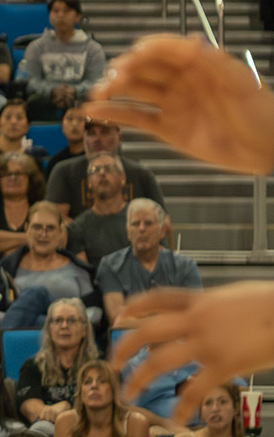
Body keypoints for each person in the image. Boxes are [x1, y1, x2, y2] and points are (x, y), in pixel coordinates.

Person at [98, 198, 201, 327]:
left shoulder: (185, 266)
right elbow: (118, 319)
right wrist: (167, 314)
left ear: (162, 230)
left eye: (148, 223)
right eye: (135, 224)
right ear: (128, 231)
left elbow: (195, 314)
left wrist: (137, 314)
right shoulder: (110, 265)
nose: (141, 229)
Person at [0, 202, 94, 329]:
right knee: (36, 294)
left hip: (68, 335)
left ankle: (4, 340)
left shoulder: (79, 270)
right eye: (37, 227)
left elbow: (93, 313)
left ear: (60, 232)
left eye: (50, 228)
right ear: (26, 228)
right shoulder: (5, 270)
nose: (43, 234)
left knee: (37, 293)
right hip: (24, 340)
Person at [45, 114, 167, 215]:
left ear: (119, 138)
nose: (97, 139)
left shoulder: (141, 174)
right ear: (84, 138)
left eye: (105, 132)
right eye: (91, 133)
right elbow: (55, 219)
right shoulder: (64, 171)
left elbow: (162, 221)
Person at [19, 0, 107, 118]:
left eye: (67, 11)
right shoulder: (36, 47)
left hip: (80, 99)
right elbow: (30, 81)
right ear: (49, 16)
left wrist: (74, 91)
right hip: (45, 101)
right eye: (56, 11)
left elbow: (96, 81)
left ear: (78, 16)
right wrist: (52, 91)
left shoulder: (93, 49)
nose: (60, 15)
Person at [16, 297, 101, 427]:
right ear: (49, 328)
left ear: (84, 329)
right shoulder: (32, 366)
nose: (64, 326)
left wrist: (67, 409)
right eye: (58, 320)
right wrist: (50, 412)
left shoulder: (99, 365)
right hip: (48, 429)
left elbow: (105, 405)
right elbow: (29, 408)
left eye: (72, 320)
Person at [66, 153, 133, 266]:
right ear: (89, 183)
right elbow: (83, 273)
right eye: (95, 170)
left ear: (123, 178)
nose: (102, 173)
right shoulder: (77, 227)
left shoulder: (140, 220)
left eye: (109, 169)